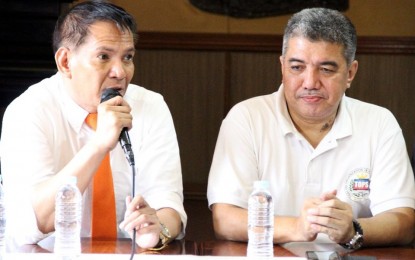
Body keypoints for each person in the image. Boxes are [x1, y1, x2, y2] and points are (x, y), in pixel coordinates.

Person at [207, 7, 415, 249]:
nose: (310, 83)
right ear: (282, 66)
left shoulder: (379, 123)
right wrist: (297, 227)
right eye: (297, 67)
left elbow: (404, 220)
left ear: (350, 73)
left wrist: (353, 229)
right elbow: (225, 219)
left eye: (326, 69)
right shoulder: (247, 118)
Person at [0, 0, 186, 250]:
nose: (120, 72)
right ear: (65, 62)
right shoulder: (28, 111)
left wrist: (156, 230)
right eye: (103, 56)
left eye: (128, 57)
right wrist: (99, 145)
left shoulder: (150, 107)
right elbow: (32, 222)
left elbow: (169, 205)